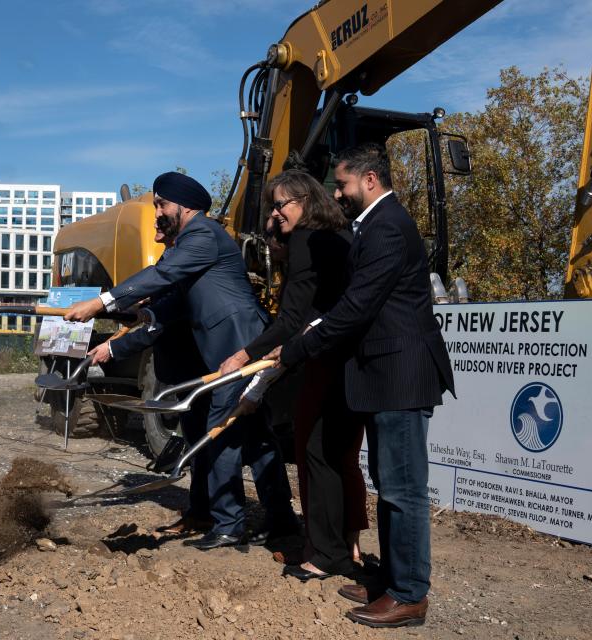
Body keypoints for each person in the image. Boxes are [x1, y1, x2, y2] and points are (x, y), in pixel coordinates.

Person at [266, 143, 455, 628]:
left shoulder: (388, 226)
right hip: (382, 376)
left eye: (344, 184)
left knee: (404, 490)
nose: (338, 193)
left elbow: (355, 308)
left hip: (401, 376)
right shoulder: (370, 227)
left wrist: (293, 350)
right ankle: (391, 580)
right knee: (390, 484)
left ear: (370, 180)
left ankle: (410, 594)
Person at [65, 171, 297, 550]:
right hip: (223, 349)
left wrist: (100, 302)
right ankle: (277, 520)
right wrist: (147, 315)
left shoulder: (202, 235)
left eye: (162, 204)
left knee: (220, 433)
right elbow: (176, 299)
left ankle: (229, 524)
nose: (157, 211)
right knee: (252, 437)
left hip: (238, 345)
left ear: (185, 207)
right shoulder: (189, 241)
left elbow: (163, 275)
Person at [219, 169, 366, 582]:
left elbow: (292, 319)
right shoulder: (341, 234)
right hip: (350, 357)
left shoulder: (307, 239)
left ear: (303, 201)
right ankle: (342, 545)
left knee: (315, 454)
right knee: (340, 457)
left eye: (281, 205)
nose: (277, 214)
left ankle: (321, 553)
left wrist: (244, 354)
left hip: (325, 359)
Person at [87, 230, 212, 536]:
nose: (155, 216)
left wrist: (113, 347)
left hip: (195, 365)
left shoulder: (183, 263)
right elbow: (157, 312)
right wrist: (140, 312)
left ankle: (220, 515)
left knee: (208, 445)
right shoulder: (171, 257)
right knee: (199, 444)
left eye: (161, 207)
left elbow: (163, 322)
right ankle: (202, 511)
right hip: (182, 369)